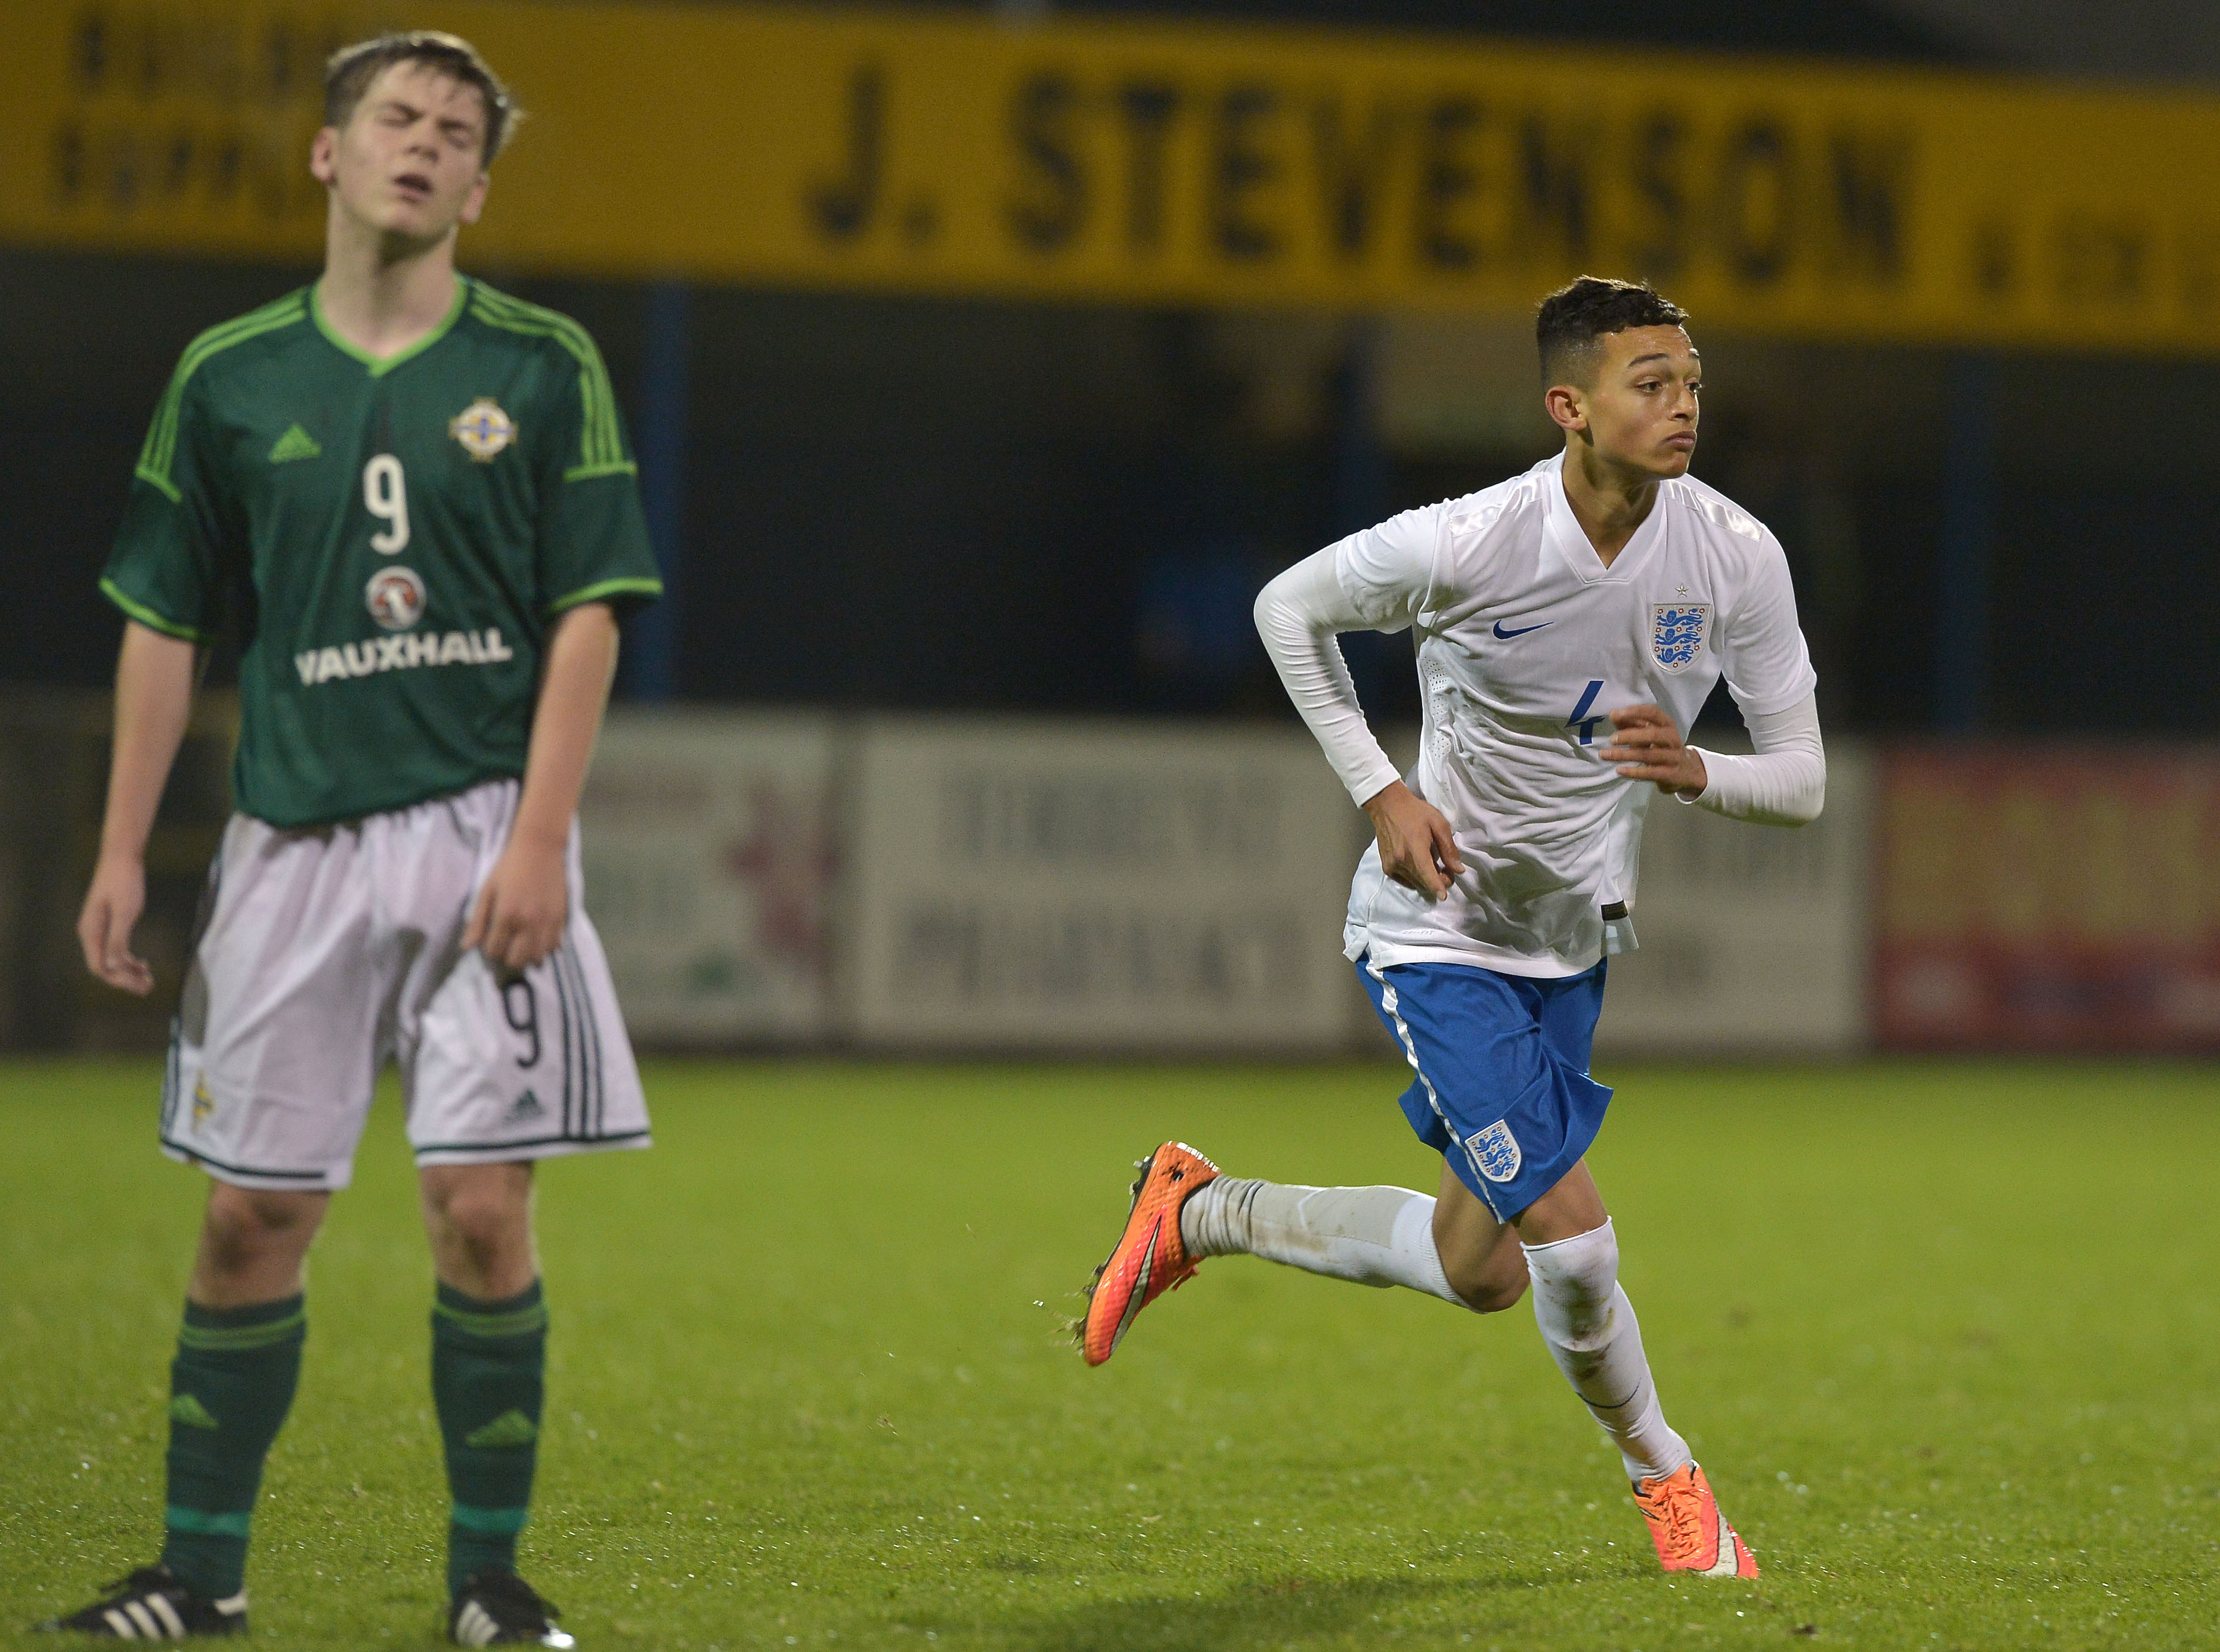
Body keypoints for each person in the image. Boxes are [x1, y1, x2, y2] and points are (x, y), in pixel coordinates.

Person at [45, 32, 661, 1646]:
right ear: (328, 152)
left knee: (479, 1206)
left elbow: (589, 614)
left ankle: (485, 1582)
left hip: (478, 834)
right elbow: (164, 623)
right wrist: (122, 847)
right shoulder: (232, 376)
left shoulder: (540, 366)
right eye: (394, 116)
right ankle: (199, 1574)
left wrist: (539, 840)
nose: (422, 142)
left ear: (475, 183)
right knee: (252, 1214)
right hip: (290, 846)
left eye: (456, 132)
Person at [1079, 277, 1826, 1581]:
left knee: (1475, 1267)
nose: (1680, 405)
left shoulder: (1732, 555)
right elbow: (1284, 610)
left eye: (1690, 381)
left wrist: (1697, 771)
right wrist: (1381, 790)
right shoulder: (1472, 541)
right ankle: (1674, 1488)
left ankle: (1197, 1213)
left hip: (1568, 947)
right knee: (1572, 1239)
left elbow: (1803, 782)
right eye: (1648, 383)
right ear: (1568, 406)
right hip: (1436, 938)